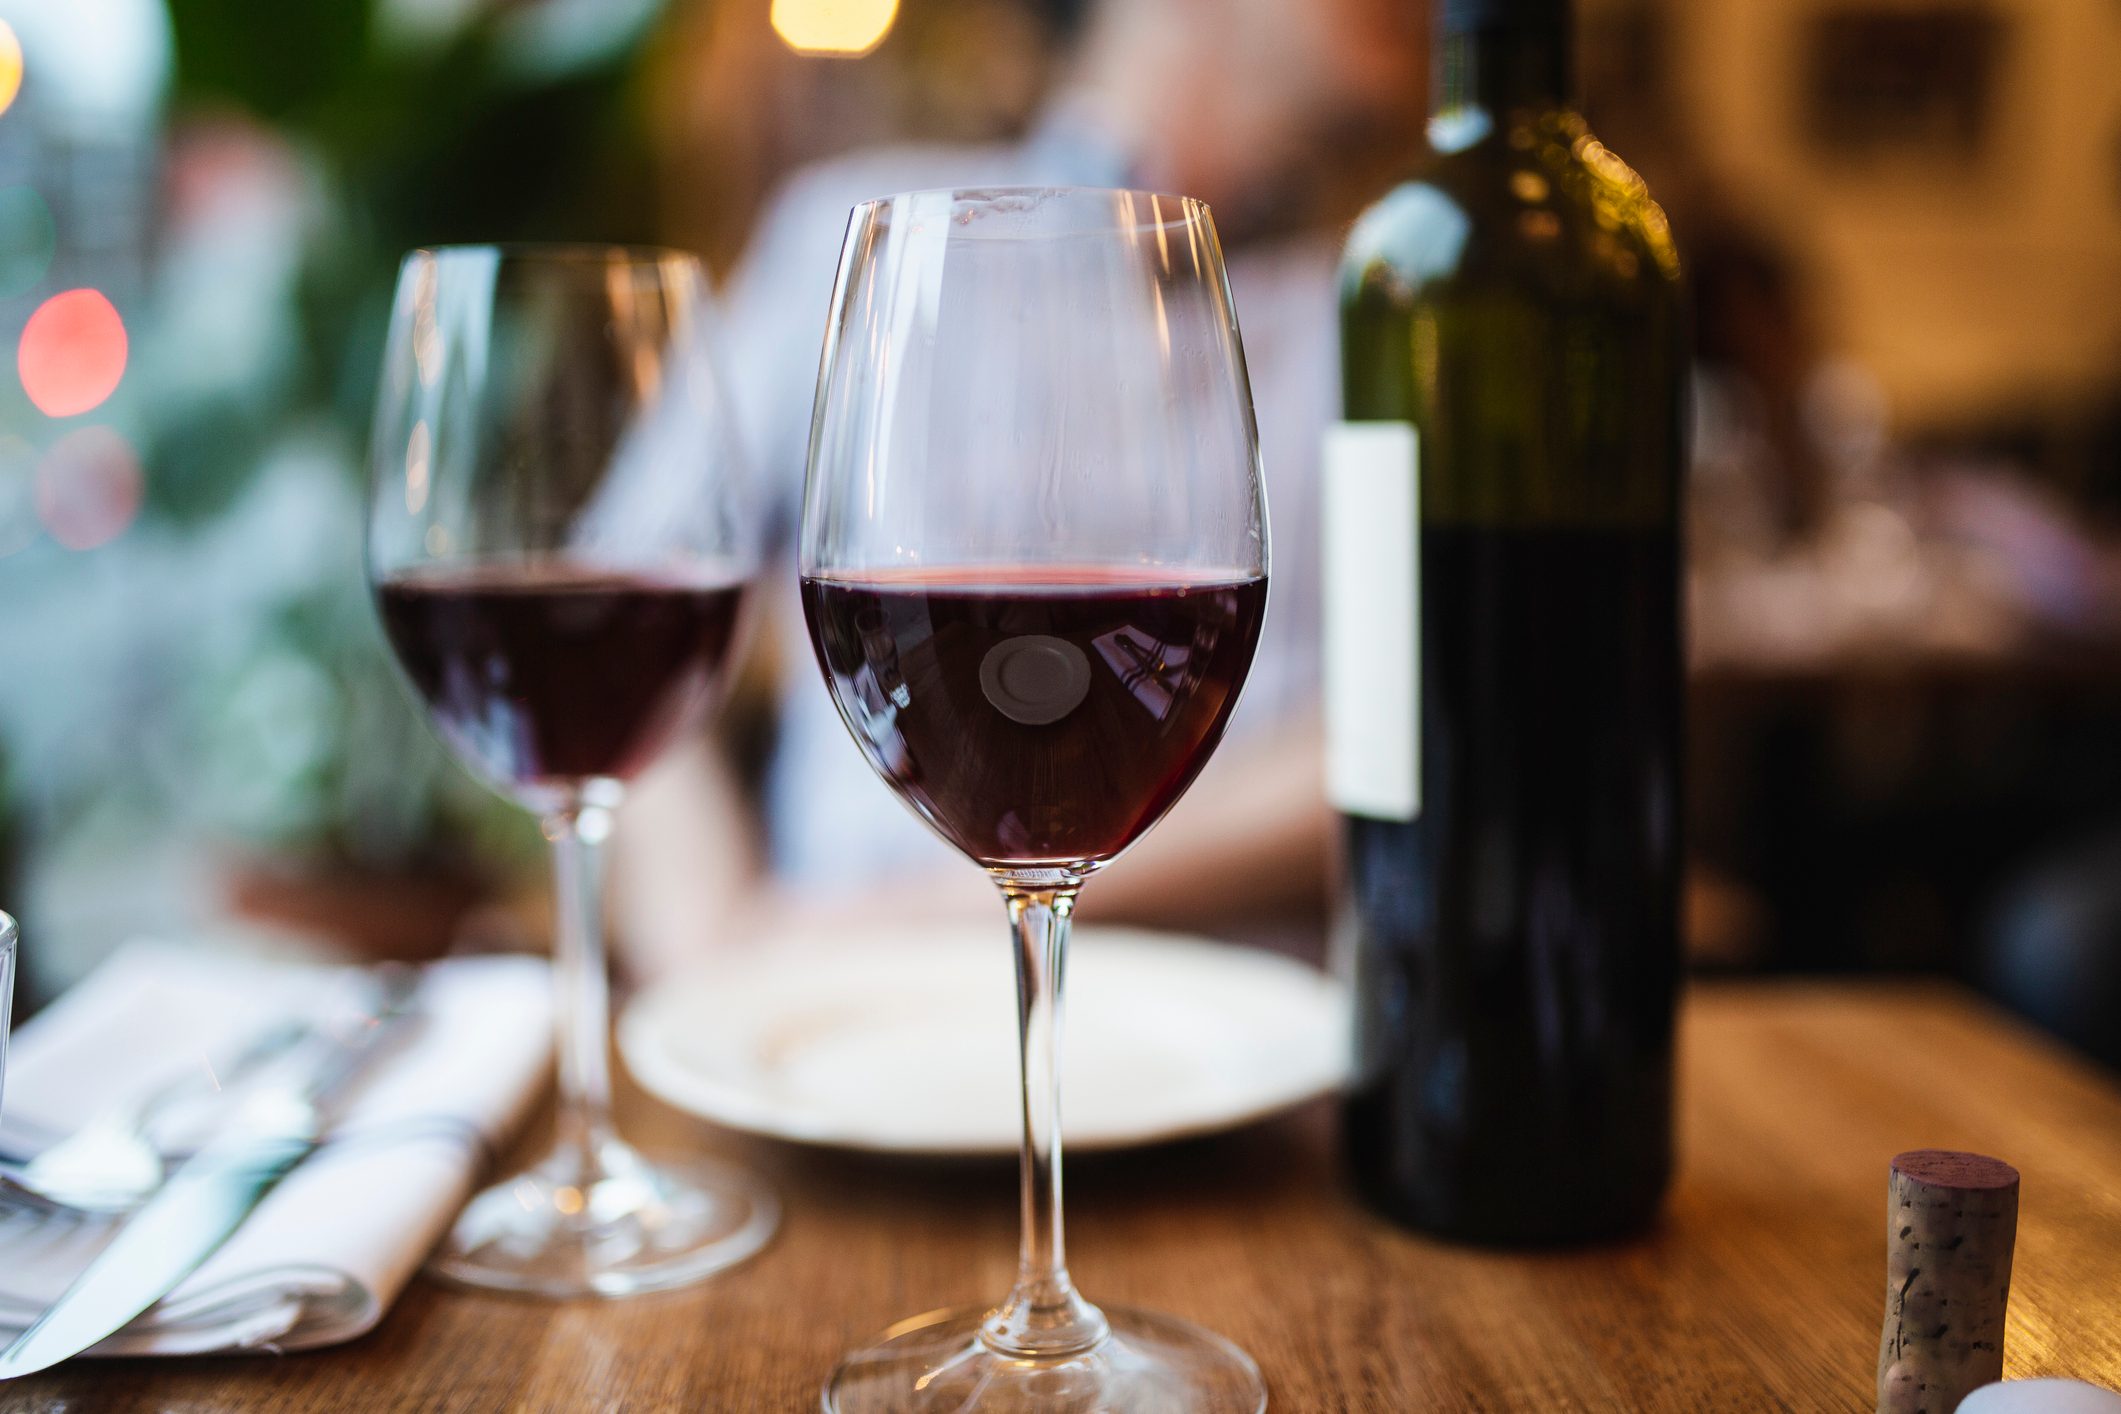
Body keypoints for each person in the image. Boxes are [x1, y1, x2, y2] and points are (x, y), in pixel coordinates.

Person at [616, 0, 1427, 976]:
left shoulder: (1397, 307)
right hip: (839, 1008)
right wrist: (714, 949)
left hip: (1235, 1018)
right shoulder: (853, 237)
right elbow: (625, 608)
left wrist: (928, 915)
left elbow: (1440, 722)